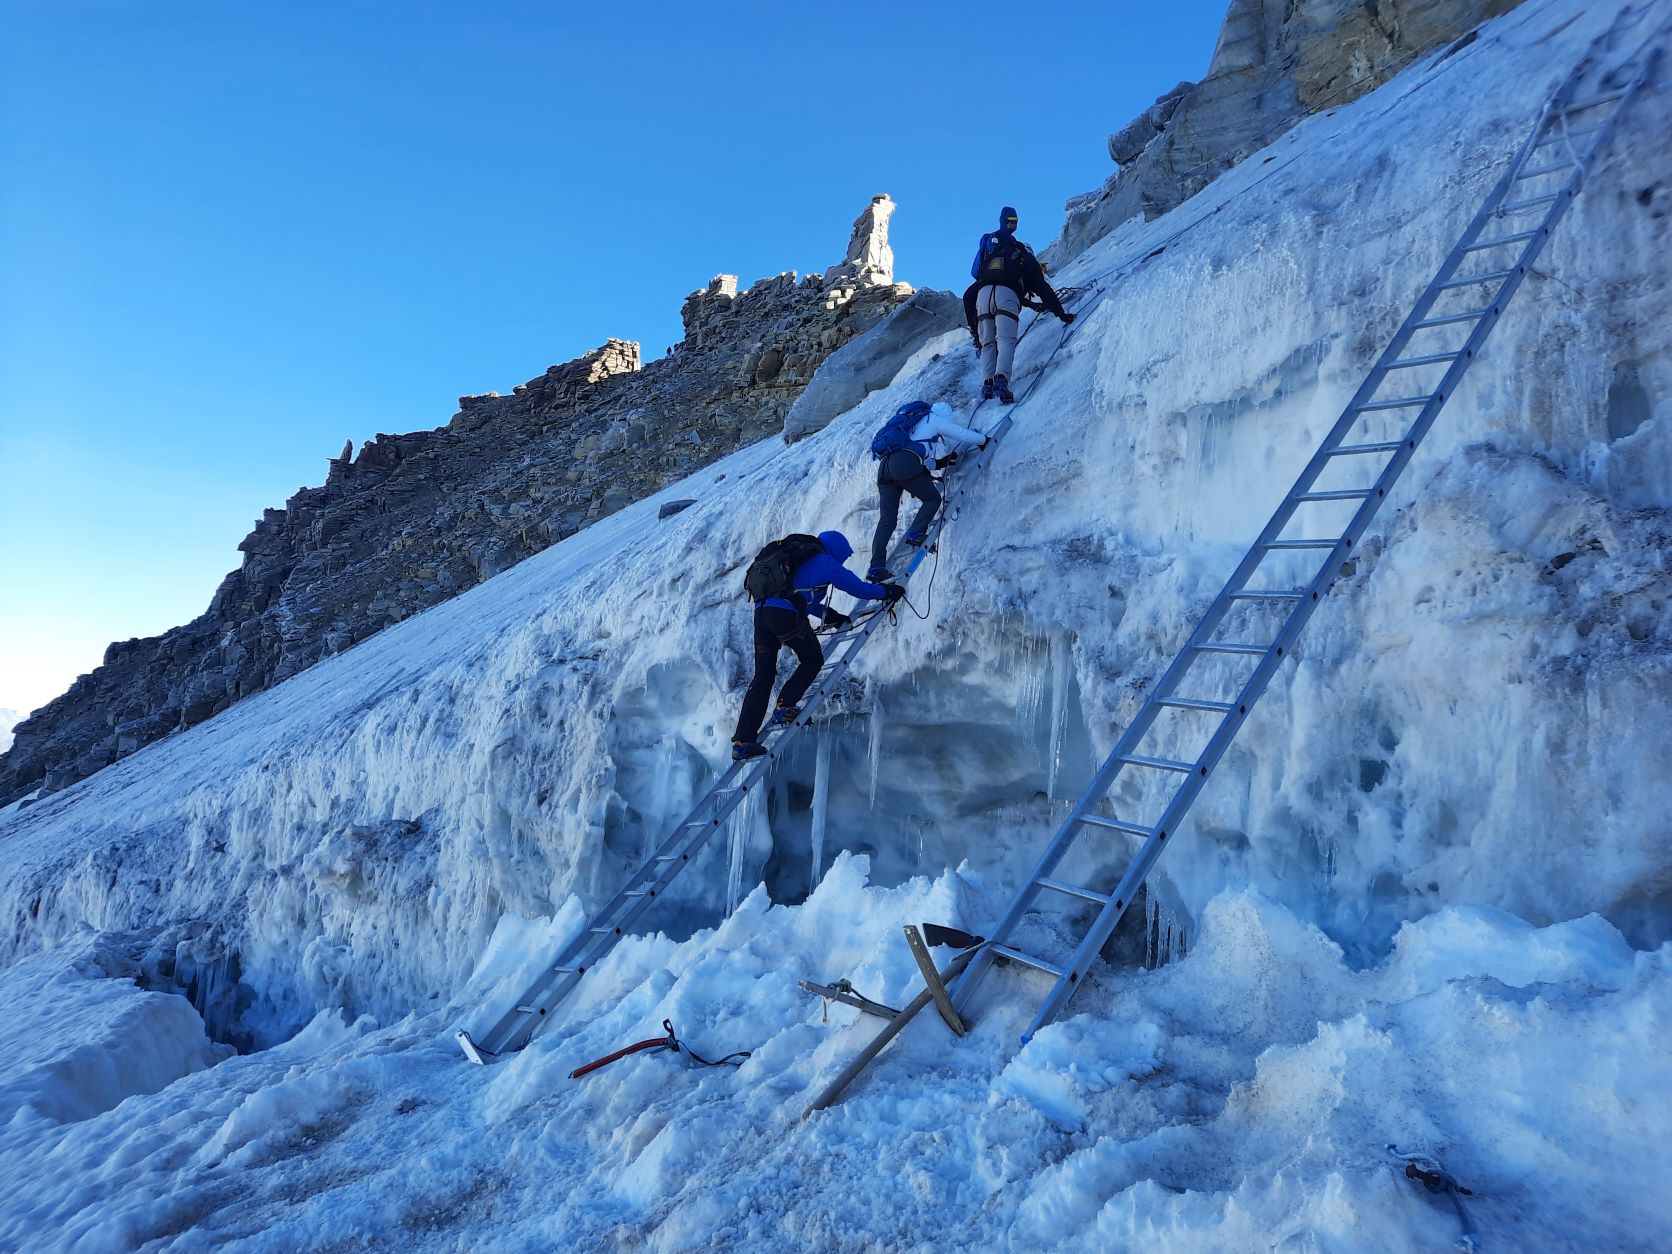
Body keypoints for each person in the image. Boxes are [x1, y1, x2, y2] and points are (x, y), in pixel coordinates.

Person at [733, 530, 903, 761]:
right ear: (837, 550)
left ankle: (743, 741)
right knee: (812, 659)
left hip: (762, 615)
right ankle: (785, 706)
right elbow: (858, 588)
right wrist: (886, 592)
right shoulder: (825, 561)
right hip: (783, 616)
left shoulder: (797, 561)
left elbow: (804, 599)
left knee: (763, 676)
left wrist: (830, 615)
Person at [867, 400, 992, 580]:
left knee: (887, 521)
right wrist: (983, 440)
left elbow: (925, 460)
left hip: (885, 469)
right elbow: (962, 434)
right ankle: (916, 533)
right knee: (932, 499)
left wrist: (942, 462)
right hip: (904, 464)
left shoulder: (910, 425)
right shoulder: (933, 419)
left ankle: (875, 567)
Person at [970, 206, 1074, 403]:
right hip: (1006, 295)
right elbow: (1043, 288)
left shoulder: (993, 255)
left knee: (988, 343)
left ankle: (987, 384)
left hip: (983, 295)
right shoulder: (1022, 255)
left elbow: (974, 278)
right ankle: (1001, 380)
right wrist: (1062, 315)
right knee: (1006, 340)